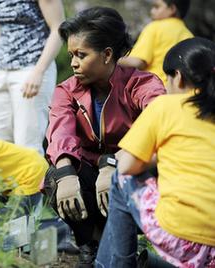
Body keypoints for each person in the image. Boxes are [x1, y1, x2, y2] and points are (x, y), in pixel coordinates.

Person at [43, 7, 166, 266]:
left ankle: (129, 248)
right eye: (71, 55)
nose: (73, 63)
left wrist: (114, 163)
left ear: (107, 54)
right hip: (89, 177)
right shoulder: (66, 91)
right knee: (55, 178)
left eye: (81, 55)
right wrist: (65, 175)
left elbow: (158, 120)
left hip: (133, 172)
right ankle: (90, 244)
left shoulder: (142, 84)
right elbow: (60, 131)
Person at [96, 37, 215, 268]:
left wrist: (161, 155)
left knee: (121, 180)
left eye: (166, 78)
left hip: (180, 235)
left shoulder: (166, 106)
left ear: (178, 77)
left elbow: (126, 166)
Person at [0, 0, 65, 155]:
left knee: (27, 145)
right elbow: (0, 25)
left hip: (32, 68)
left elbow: (58, 28)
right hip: (0, 69)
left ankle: (33, 180)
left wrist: (39, 71)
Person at [119, 0, 193, 83]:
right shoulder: (189, 35)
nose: (152, 11)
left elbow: (138, 62)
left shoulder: (155, 27)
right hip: (176, 90)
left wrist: (114, 60)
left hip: (152, 88)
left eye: (157, 7)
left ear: (172, 9)